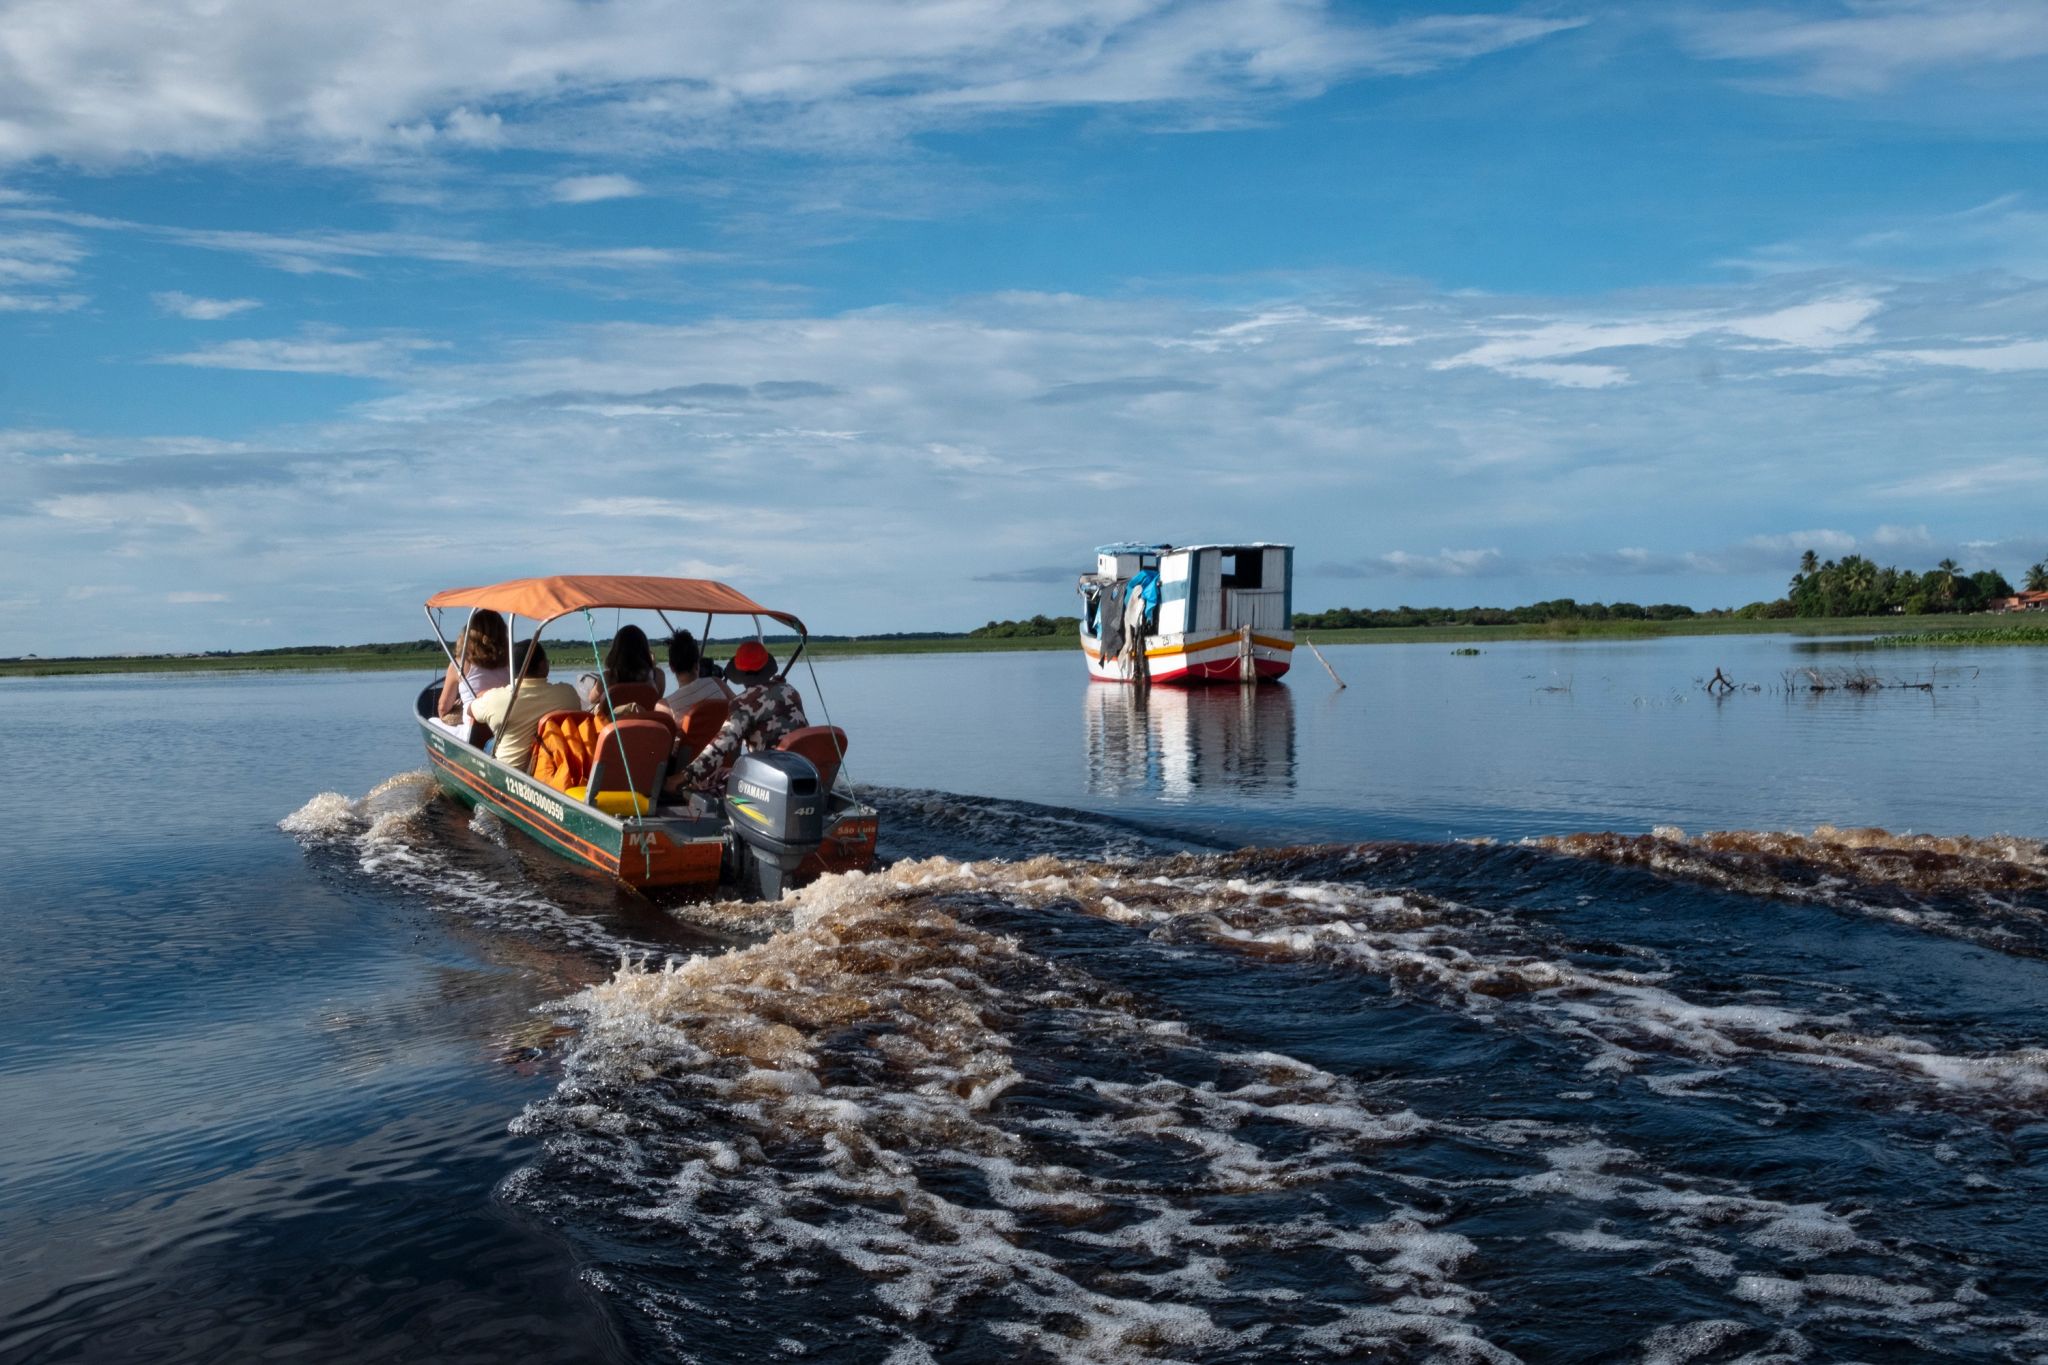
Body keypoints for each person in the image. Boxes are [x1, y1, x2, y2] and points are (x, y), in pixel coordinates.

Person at [670, 640, 807, 792]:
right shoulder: (791, 691)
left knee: (702, 785)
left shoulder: (743, 702)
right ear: (767, 668)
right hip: (798, 769)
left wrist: (684, 777)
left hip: (769, 778)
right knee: (726, 772)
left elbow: (720, 746)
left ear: (739, 672)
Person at [470, 639, 582, 773]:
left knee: (490, 743)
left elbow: (470, 711)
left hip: (510, 773)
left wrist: (485, 695)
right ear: (542, 666)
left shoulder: (496, 698)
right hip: (553, 770)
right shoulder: (568, 693)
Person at [434, 609, 510, 731]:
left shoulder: (459, 663)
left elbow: (443, 708)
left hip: (474, 731)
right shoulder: (510, 662)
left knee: (433, 722)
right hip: (504, 725)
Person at [579, 623, 667, 710]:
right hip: (646, 722)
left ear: (616, 650)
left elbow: (591, 699)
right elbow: (656, 700)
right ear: (645, 648)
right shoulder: (658, 675)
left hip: (614, 723)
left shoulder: (608, 677)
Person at [657, 629, 731, 716]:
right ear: (697, 664)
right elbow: (740, 707)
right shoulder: (718, 683)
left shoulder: (665, 706)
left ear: (671, 667)